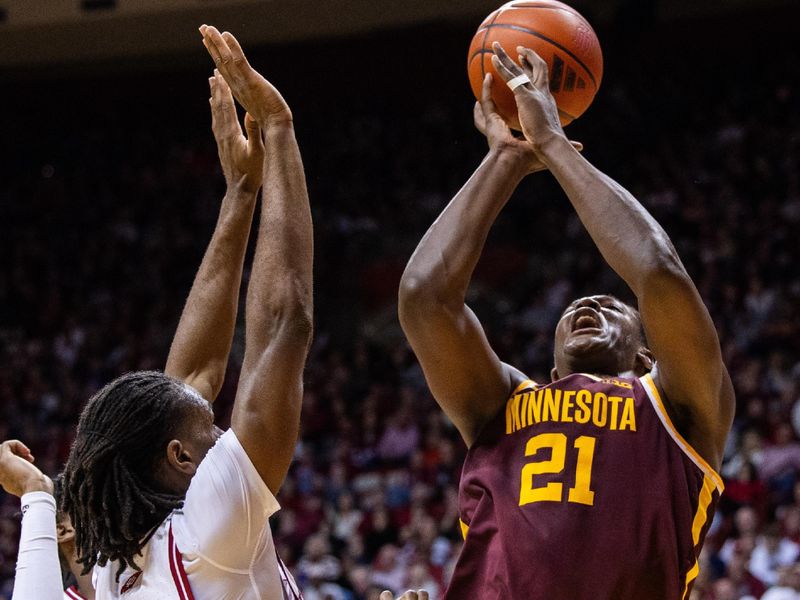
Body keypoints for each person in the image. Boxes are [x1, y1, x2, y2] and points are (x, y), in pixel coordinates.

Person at [398, 41, 735, 600]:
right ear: (551, 369)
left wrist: (554, 145)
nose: (590, 305)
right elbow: (423, 297)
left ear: (646, 360)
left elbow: (658, 271)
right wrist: (504, 160)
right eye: (576, 309)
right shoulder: (502, 405)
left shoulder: (680, 408)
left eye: (612, 307)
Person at [59, 26, 313, 599]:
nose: (226, 432)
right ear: (178, 458)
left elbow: (189, 382)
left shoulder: (118, 563)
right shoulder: (210, 532)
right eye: (213, 432)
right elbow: (284, 325)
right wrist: (279, 127)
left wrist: (241, 195)